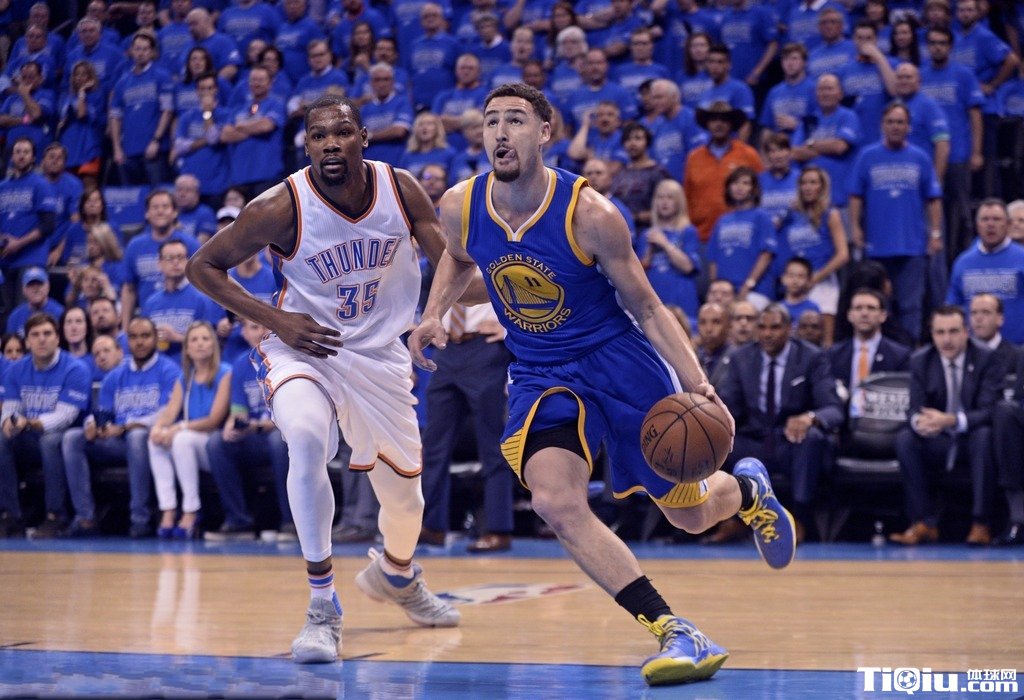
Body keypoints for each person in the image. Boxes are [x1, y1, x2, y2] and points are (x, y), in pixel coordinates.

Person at [407, 83, 796, 687]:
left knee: (691, 516)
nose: (501, 132)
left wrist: (698, 383)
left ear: (545, 133)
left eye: (516, 120)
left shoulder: (591, 214)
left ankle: (746, 492)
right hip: (540, 372)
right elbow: (458, 258)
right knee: (554, 502)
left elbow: (647, 305)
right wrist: (434, 312)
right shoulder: (461, 204)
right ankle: (674, 628)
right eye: (491, 121)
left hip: (617, 364)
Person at [186, 94, 464, 665]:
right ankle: (322, 605)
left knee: (406, 504)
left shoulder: (401, 189)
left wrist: (505, 291)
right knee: (308, 439)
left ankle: (398, 575)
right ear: (307, 145)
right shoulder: (279, 206)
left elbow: (453, 270)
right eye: (318, 136)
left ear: (363, 137)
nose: (330, 144)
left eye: (341, 132)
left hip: (381, 357)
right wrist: (275, 320)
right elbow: (201, 266)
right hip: (305, 348)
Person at [891, 306, 1003, 546]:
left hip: (971, 436)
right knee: (906, 439)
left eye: (953, 331)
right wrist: (919, 422)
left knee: (984, 435)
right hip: (938, 438)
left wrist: (952, 420)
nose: (947, 339)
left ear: (966, 332)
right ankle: (923, 522)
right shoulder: (921, 360)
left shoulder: (986, 358)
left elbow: (990, 410)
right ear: (932, 334)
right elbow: (913, 408)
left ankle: (981, 524)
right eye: (940, 332)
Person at [61, 316, 180, 538]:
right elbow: (102, 413)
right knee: (72, 438)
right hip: (117, 442)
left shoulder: (169, 370)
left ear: (155, 338)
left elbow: (165, 414)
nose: (139, 342)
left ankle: (140, 519)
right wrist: (94, 426)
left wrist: (124, 427)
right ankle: (85, 517)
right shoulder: (114, 377)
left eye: (145, 336)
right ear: (127, 342)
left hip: (152, 440)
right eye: (133, 337)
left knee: (137, 436)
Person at [849, 103, 943, 341]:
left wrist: (935, 233)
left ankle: (909, 351)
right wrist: (855, 227)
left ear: (909, 127)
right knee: (879, 305)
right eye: (890, 122)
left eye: (900, 122)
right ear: (882, 125)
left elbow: (933, 198)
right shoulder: (867, 156)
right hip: (877, 246)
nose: (895, 126)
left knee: (912, 305)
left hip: (912, 246)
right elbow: (856, 195)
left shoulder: (920, 157)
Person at [0, 313, 91, 539]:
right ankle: (11, 516)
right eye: (35, 335)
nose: (42, 339)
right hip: (30, 435)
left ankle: (55, 515)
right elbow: (11, 408)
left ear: (57, 338)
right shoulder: (15, 370)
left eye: (47, 333)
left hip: (69, 435)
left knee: (50, 441)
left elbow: (65, 417)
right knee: (2, 439)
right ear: (27, 341)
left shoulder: (75, 369)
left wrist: (28, 422)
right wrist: (8, 422)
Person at [205, 318, 294, 541]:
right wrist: (233, 424)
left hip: (284, 433)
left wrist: (260, 425)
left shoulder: (288, 359)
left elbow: (294, 414)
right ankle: (238, 522)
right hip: (255, 437)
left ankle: (292, 522)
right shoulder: (240, 364)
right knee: (217, 442)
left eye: (265, 325)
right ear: (244, 333)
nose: (260, 331)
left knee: (278, 441)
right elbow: (239, 411)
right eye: (254, 327)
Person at [147, 320, 231, 539]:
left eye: (205, 338)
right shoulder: (185, 377)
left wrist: (179, 427)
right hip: (188, 440)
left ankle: (191, 511)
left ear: (213, 344)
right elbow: (170, 412)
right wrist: (158, 428)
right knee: (155, 441)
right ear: (187, 348)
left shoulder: (225, 373)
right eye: (194, 339)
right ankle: (168, 509)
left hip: (213, 444)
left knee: (181, 439)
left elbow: (214, 420)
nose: (200, 343)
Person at [776, 166, 849, 346]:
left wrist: (815, 278)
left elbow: (843, 254)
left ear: (822, 187)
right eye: (804, 183)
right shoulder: (794, 215)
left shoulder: (830, 214)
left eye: (813, 182)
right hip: (797, 281)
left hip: (822, 282)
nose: (808, 187)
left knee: (823, 339)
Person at [946, 199, 1024, 345]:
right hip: (974, 350)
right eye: (985, 219)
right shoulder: (963, 262)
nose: (990, 224)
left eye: (996, 219)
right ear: (977, 225)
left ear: (1008, 224)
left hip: (1018, 348)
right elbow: (953, 307)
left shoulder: (1021, 258)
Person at [826, 287, 912, 418]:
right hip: (841, 420)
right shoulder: (833, 354)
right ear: (850, 315)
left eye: (871, 308)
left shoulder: (901, 356)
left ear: (883, 315)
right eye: (858, 308)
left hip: (883, 422)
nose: (864, 313)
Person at [6, 268, 64, 337]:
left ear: (48, 287)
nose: (36, 289)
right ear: (24, 290)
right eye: (31, 285)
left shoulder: (60, 313)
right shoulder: (15, 317)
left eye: (39, 284)